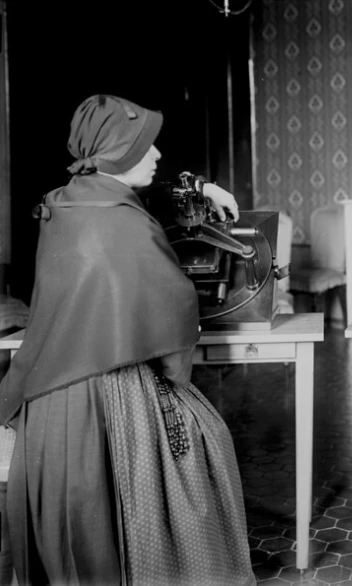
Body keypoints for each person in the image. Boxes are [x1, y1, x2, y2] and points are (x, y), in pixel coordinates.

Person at [0, 95, 254, 585]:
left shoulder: (69, 200)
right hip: (105, 396)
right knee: (207, 438)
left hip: (48, 407)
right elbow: (175, 306)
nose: (158, 156)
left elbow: (144, 194)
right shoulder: (124, 223)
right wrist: (178, 371)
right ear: (115, 149)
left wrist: (201, 186)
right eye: (145, 146)